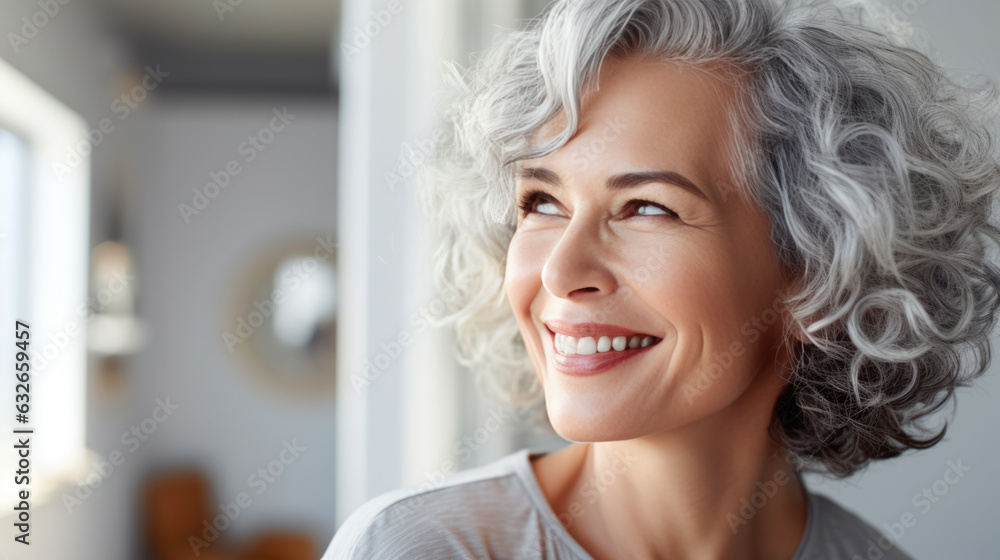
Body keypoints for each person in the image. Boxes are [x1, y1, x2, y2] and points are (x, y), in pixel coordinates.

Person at [323, 0, 1000, 558]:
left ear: (818, 269)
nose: (560, 270)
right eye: (541, 203)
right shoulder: (413, 548)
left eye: (647, 207)